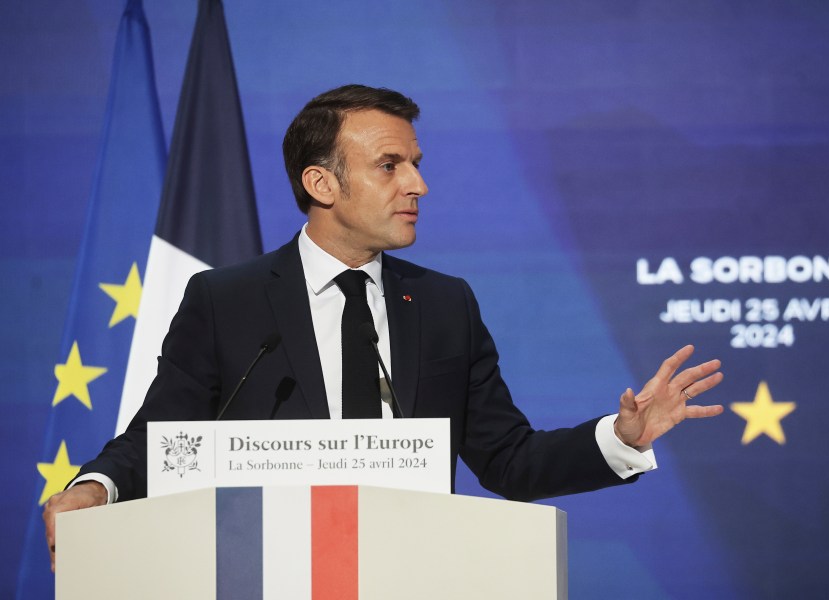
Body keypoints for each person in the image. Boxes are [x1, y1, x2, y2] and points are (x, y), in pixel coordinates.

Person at [43, 84, 724, 569]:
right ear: (322, 184)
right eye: (391, 165)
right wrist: (92, 488)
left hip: (414, 575)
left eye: (417, 164)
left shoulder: (443, 305)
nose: (418, 185)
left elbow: (510, 461)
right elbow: (163, 440)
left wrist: (622, 438)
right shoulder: (227, 300)